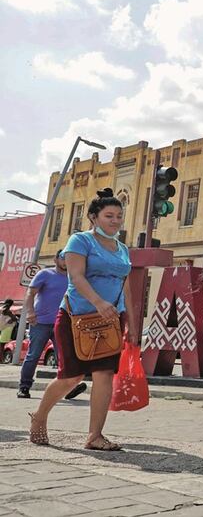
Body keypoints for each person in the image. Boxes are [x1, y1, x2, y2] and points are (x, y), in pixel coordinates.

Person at [28, 189, 137, 450]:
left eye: (119, 216)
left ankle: (94, 435)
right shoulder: (80, 241)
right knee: (71, 377)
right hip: (76, 317)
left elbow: (127, 287)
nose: (115, 221)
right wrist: (99, 302)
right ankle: (39, 416)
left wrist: (132, 322)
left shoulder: (122, 249)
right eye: (109, 215)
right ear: (93, 217)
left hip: (111, 320)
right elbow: (76, 276)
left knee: (104, 374)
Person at [18, 251, 86, 400]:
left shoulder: (74, 278)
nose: (65, 261)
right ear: (56, 259)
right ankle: (24, 387)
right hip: (40, 322)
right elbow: (30, 293)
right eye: (62, 258)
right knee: (33, 355)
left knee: (64, 357)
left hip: (62, 324)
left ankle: (68, 388)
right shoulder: (44, 274)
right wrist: (30, 312)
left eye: (67, 258)